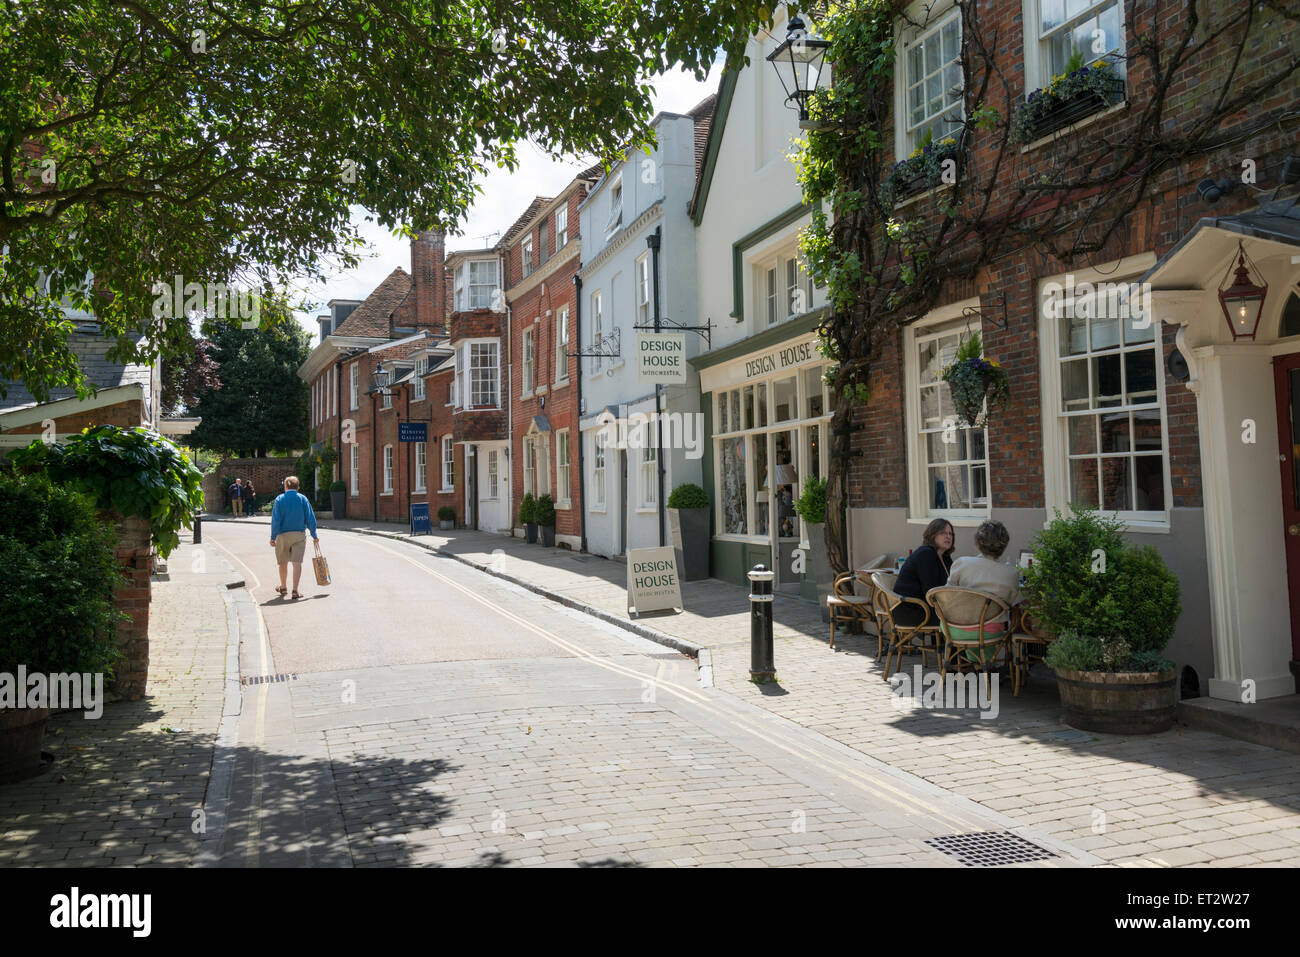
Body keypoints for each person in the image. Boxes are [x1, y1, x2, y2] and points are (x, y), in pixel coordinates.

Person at [945, 519, 1023, 663]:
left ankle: (976, 664)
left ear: (978, 543)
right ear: (1004, 545)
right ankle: (988, 664)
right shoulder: (1011, 573)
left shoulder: (962, 563)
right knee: (1000, 620)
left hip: (954, 629)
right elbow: (1013, 603)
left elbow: (946, 594)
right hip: (989, 632)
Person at [892, 518, 954, 626]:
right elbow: (931, 589)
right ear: (932, 534)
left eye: (950, 533)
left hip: (928, 607)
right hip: (911, 609)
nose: (948, 536)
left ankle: (945, 643)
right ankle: (948, 643)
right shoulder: (926, 554)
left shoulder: (945, 558)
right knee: (954, 618)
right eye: (943, 533)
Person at [270, 475, 319, 600]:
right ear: (298, 487)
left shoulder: (279, 499)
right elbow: (310, 518)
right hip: (299, 535)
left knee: (283, 562)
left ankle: (283, 587)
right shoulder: (303, 499)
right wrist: (314, 535)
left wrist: (273, 537)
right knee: (297, 563)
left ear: (286, 486)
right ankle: (295, 591)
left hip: (282, 535)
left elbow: (276, 520)